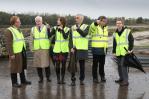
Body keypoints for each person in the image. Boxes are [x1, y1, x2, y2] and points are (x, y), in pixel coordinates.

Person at [4, 16, 31, 88]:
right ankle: (14, 83)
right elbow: (8, 43)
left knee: (22, 66)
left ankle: (23, 80)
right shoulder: (9, 30)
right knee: (14, 67)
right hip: (15, 52)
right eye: (18, 22)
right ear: (14, 23)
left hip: (21, 50)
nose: (20, 23)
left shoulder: (19, 30)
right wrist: (11, 54)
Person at [113, 18, 134, 86]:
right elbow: (114, 43)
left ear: (122, 24)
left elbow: (131, 40)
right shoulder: (115, 33)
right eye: (117, 23)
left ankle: (126, 81)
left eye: (119, 23)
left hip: (125, 52)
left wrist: (130, 49)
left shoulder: (127, 31)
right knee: (119, 66)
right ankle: (121, 78)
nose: (118, 24)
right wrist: (114, 51)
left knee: (123, 66)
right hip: (118, 52)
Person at [49, 17, 70, 84]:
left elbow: (65, 37)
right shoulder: (55, 28)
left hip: (64, 50)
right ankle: (58, 79)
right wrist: (48, 28)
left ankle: (62, 79)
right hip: (56, 50)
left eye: (58, 20)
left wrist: (62, 30)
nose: (57, 21)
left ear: (62, 21)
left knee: (63, 65)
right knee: (57, 65)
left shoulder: (67, 29)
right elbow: (49, 35)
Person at [30, 16, 51, 83]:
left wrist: (49, 29)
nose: (38, 22)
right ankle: (40, 78)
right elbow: (31, 39)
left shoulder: (46, 27)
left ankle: (48, 77)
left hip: (45, 48)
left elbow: (50, 37)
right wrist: (31, 47)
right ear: (35, 22)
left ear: (42, 21)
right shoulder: (33, 29)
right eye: (36, 21)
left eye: (39, 21)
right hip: (37, 49)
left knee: (46, 64)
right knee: (38, 64)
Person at [69, 14, 89, 86]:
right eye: (75, 18)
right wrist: (71, 47)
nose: (76, 19)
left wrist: (78, 28)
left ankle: (81, 80)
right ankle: (73, 80)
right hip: (74, 48)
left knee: (82, 65)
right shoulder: (72, 27)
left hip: (82, 48)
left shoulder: (86, 26)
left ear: (82, 19)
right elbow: (70, 38)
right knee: (72, 65)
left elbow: (84, 34)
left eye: (77, 18)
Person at [89, 16, 108, 83]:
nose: (105, 22)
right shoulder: (95, 27)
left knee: (102, 64)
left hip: (103, 49)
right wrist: (95, 23)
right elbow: (91, 28)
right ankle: (95, 78)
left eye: (106, 21)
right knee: (95, 65)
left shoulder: (106, 28)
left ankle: (102, 76)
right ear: (99, 21)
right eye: (103, 21)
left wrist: (106, 48)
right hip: (96, 49)